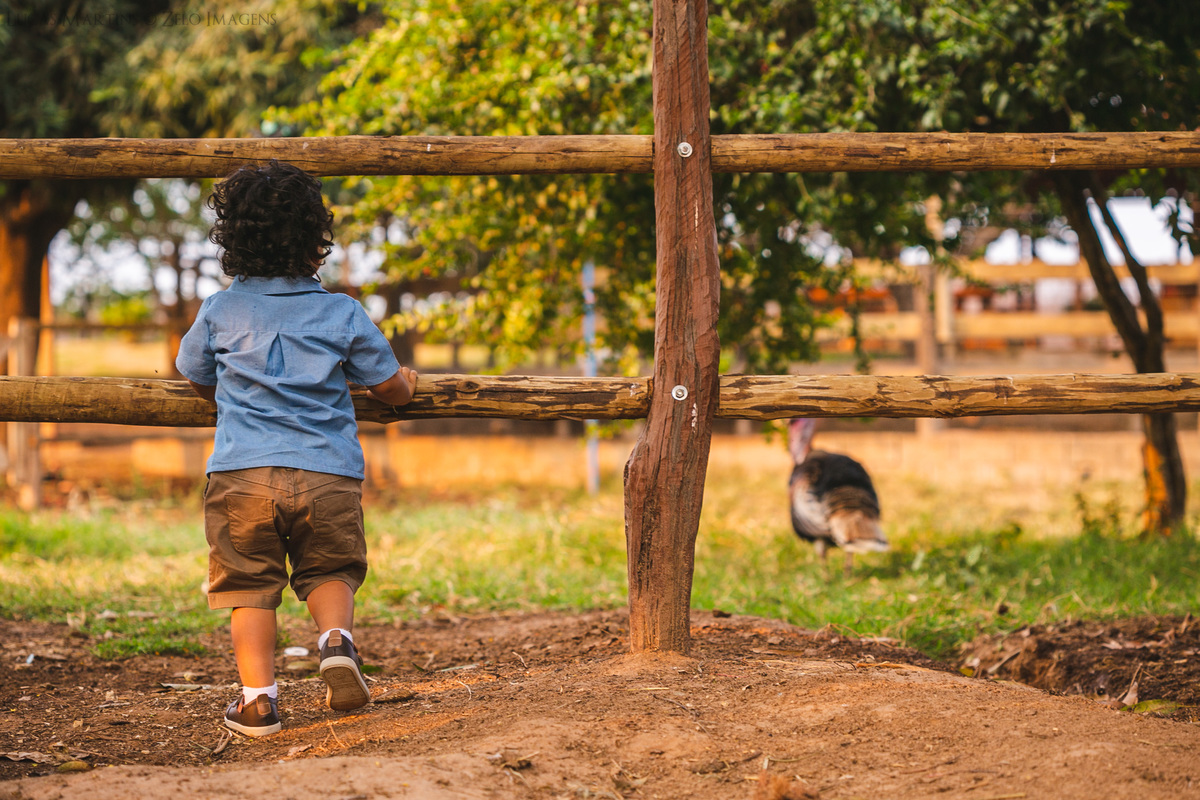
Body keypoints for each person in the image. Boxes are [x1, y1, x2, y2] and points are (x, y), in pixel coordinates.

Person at [176, 160, 418, 737]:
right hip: (327, 472)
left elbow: (193, 373)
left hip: (242, 475)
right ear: (317, 243)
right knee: (330, 566)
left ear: (231, 244)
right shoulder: (341, 312)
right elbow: (390, 389)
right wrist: (406, 380)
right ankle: (336, 642)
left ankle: (258, 701)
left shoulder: (219, 310)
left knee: (248, 585)